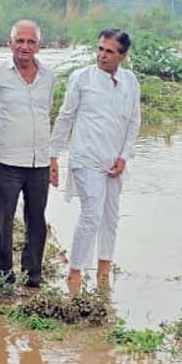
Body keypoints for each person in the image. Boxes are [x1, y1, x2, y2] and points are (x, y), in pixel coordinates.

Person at [51, 28, 141, 295]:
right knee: (91, 214)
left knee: (111, 217)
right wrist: (52, 155)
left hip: (114, 160)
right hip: (85, 157)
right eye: (100, 49)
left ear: (122, 55)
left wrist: (124, 156)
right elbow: (65, 117)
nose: (102, 55)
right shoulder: (82, 78)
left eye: (109, 51)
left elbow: (134, 121)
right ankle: (75, 272)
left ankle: (104, 268)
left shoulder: (130, 81)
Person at [0, 19, 55, 289]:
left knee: (37, 220)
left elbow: (45, 112)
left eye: (30, 41)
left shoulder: (48, 76)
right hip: (4, 160)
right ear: (10, 43)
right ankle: (2, 278)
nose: (24, 46)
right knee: (3, 222)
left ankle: (33, 275)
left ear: (39, 45)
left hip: (38, 161)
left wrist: (52, 157)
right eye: (20, 41)